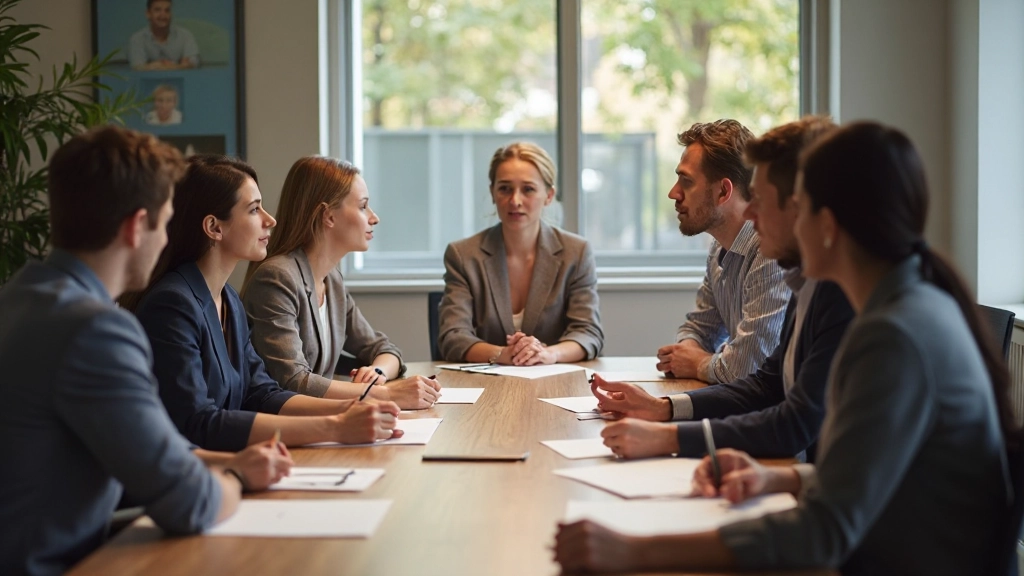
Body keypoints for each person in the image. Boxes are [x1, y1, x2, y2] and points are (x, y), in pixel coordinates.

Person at [555, 122, 1017, 575]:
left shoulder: (893, 335)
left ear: (824, 224)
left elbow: (825, 528)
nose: (751, 215)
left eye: (773, 203)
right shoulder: (897, 304)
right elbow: (881, 472)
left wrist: (638, 551)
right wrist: (783, 477)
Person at [0, 127, 292, 576]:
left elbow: (151, 450)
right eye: (166, 221)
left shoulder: (19, 298)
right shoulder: (95, 331)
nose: (167, 240)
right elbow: (190, 503)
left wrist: (232, 461)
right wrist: (236, 476)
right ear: (137, 227)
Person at [593, 117, 854, 461]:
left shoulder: (835, 294)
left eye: (762, 199)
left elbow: (792, 423)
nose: (752, 212)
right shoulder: (808, 283)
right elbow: (766, 385)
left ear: (804, 210)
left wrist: (671, 435)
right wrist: (663, 408)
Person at [128, 155, 402, 452]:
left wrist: (355, 407)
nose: (270, 220)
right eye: (254, 209)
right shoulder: (172, 304)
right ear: (214, 227)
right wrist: (336, 426)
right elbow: (197, 423)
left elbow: (262, 394)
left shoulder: (229, 300)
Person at [242, 156, 441, 408]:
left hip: (325, 419)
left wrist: (377, 373)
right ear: (329, 216)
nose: (374, 218)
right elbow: (293, 380)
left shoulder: (331, 279)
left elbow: (383, 348)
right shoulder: (277, 278)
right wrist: (387, 394)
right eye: (363, 206)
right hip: (283, 425)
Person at [438, 142, 603, 365]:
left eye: (528, 189)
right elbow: (453, 336)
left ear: (549, 195)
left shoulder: (577, 253)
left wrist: (549, 354)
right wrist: (503, 354)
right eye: (505, 189)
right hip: (487, 381)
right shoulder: (463, 255)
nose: (515, 201)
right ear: (493, 193)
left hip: (556, 379)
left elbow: (588, 333)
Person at [656, 120, 789, 384]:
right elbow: (699, 328)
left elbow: (748, 368)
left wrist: (697, 363)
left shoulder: (770, 252)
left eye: (686, 181)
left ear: (723, 191)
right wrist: (686, 353)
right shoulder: (719, 247)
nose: (673, 193)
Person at [128, 0, 200, 71]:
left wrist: (159, 66)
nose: (163, 15)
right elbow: (138, 67)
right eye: (157, 10)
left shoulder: (185, 36)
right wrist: (177, 66)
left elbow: (192, 63)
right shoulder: (137, 39)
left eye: (167, 10)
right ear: (148, 14)